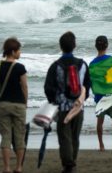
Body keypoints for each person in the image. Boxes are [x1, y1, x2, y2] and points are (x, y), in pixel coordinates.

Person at [44, 31, 90, 173]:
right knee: (75, 137)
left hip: (63, 107)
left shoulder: (55, 66)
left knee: (64, 137)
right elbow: (87, 86)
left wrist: (53, 102)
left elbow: (48, 88)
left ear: (61, 46)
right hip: (78, 107)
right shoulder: (82, 65)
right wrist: (82, 99)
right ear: (74, 45)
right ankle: (73, 161)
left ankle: (68, 164)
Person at [0, 37, 28, 173]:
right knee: (19, 136)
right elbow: (24, 86)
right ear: (13, 51)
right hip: (18, 105)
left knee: (6, 136)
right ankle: (19, 167)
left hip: (4, 104)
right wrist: (25, 102)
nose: (20, 53)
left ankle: (6, 168)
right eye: (19, 50)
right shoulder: (20, 67)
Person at [89, 35, 112, 151]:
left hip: (99, 96)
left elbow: (91, 81)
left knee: (100, 121)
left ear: (96, 46)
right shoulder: (111, 60)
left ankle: (101, 145)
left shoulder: (92, 64)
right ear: (107, 45)